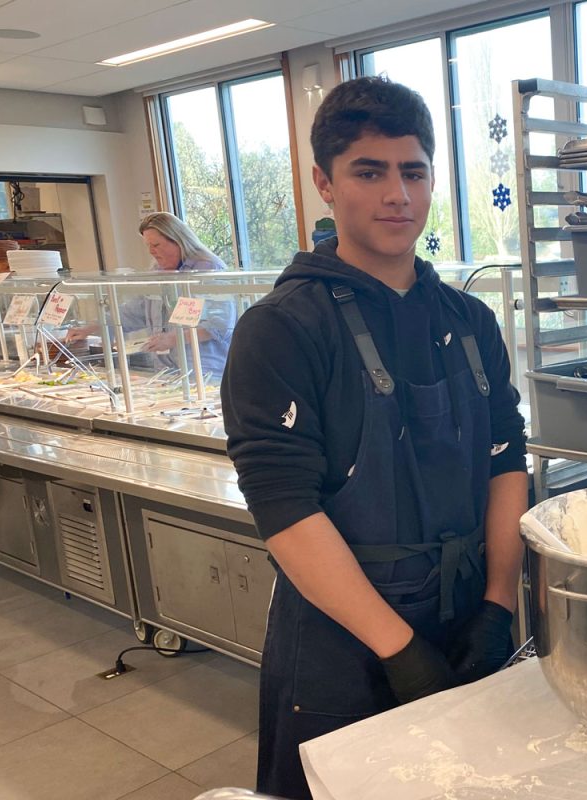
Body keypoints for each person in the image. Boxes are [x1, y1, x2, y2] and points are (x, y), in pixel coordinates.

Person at [220, 77, 528, 800]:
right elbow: (286, 511)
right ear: (326, 184)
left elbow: (506, 460)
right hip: (343, 642)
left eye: (412, 171)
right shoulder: (283, 330)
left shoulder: (469, 321)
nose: (397, 194)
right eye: (369, 171)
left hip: (465, 618)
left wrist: (498, 604)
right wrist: (399, 650)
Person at [64, 212, 233, 376]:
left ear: (178, 241)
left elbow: (221, 324)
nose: (151, 251)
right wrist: (91, 327)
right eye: (148, 246)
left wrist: (175, 339)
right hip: (165, 371)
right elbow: (134, 311)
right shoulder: (157, 272)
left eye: (156, 245)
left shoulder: (208, 269)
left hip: (205, 371)